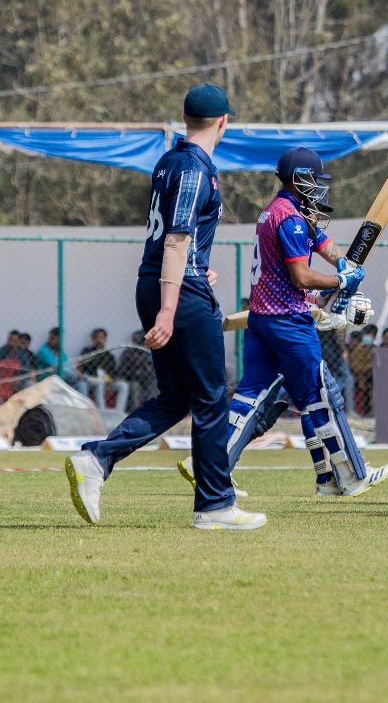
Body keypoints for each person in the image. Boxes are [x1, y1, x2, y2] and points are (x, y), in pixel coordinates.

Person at [64, 83, 265, 530]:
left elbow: (175, 242)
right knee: (213, 397)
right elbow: (175, 240)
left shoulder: (169, 160)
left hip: (157, 281)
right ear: (223, 122)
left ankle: (97, 459)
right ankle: (215, 506)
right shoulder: (196, 168)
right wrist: (171, 310)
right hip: (177, 291)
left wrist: (190, 276)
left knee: (178, 397)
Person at [179, 146, 388, 498]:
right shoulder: (291, 219)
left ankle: (210, 469)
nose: (321, 189)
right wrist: (340, 282)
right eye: (316, 181)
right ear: (300, 179)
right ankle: (352, 474)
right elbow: (301, 277)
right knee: (324, 394)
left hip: (262, 320)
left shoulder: (275, 212)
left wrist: (345, 266)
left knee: (249, 399)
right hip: (287, 322)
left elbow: (326, 249)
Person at [76, 328, 130, 410]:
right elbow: (81, 369)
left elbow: (114, 373)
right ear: (93, 339)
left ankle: (119, 412)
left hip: (106, 381)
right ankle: (102, 411)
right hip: (91, 380)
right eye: (96, 338)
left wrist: (110, 378)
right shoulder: (87, 352)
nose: (99, 340)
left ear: (105, 339)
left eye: (101, 338)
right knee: (99, 383)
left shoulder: (109, 356)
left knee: (123, 385)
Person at [117, 329, 157, 410]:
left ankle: (151, 408)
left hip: (146, 379)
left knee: (155, 381)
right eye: (137, 339)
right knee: (135, 385)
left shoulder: (147, 353)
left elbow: (152, 370)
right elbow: (122, 371)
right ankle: (136, 410)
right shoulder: (128, 352)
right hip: (132, 379)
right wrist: (135, 374)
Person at [348, 324, 378, 415]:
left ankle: (373, 411)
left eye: (371, 334)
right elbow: (355, 367)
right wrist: (369, 367)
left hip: (372, 377)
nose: (368, 336)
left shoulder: (376, 349)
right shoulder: (359, 349)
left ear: (375, 336)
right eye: (366, 334)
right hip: (360, 378)